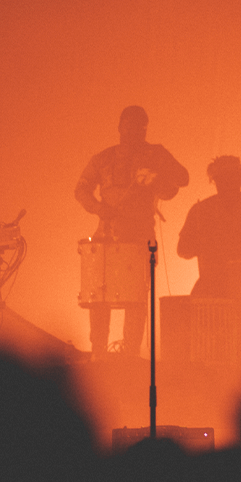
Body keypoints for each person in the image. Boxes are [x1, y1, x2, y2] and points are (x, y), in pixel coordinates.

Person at [74, 106, 189, 358]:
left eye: (139, 127)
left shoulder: (155, 154)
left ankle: (130, 353)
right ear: (119, 127)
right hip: (106, 234)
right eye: (128, 126)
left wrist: (156, 179)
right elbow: (81, 189)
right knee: (98, 295)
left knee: (136, 297)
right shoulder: (103, 158)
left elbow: (182, 179)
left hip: (139, 236)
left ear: (145, 129)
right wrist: (99, 208)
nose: (132, 132)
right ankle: (98, 351)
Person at [177, 156, 241, 297]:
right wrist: (206, 245)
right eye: (224, 178)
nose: (228, 183)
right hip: (216, 287)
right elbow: (182, 249)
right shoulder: (200, 210)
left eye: (231, 177)